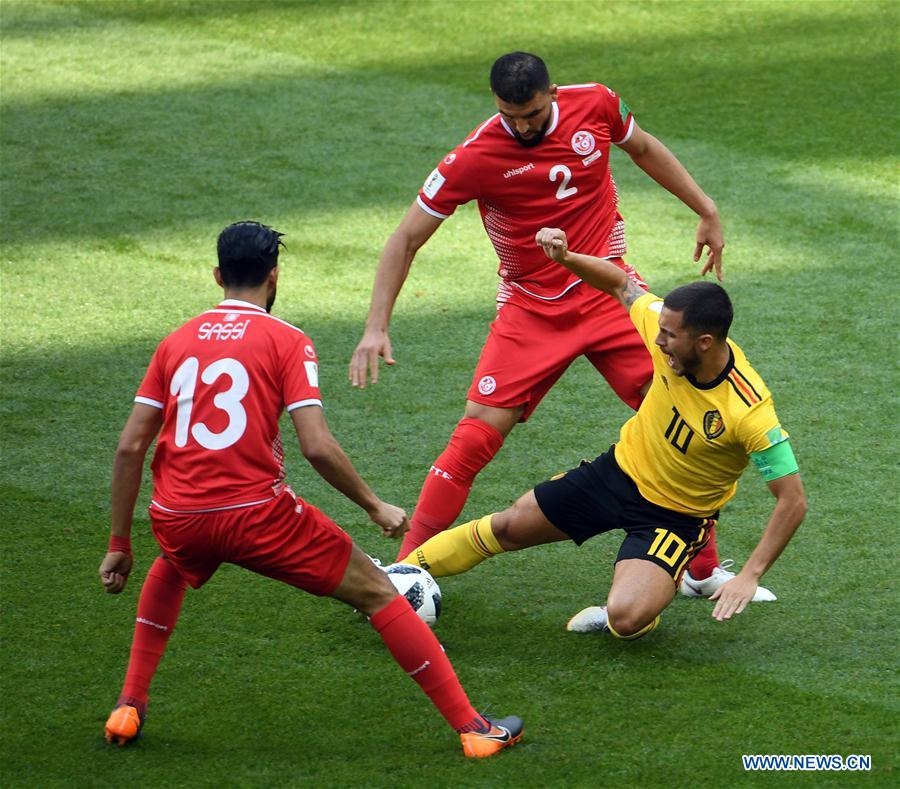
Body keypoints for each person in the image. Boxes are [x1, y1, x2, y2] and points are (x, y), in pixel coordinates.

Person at [98, 221, 523, 759]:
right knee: (378, 592)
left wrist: (119, 543)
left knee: (174, 563)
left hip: (177, 515)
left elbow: (130, 447)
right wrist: (374, 505)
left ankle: (129, 705)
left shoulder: (175, 343)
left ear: (216, 276)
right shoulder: (287, 340)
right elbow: (316, 446)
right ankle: (474, 728)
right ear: (273, 278)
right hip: (256, 515)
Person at [349, 51, 763, 599]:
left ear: (553, 94)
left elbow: (642, 147)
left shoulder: (595, 103)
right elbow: (406, 237)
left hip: (610, 294)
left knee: (681, 416)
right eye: (508, 116)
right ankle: (403, 574)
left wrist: (706, 208)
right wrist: (376, 326)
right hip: (530, 309)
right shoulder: (474, 156)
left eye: (533, 115)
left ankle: (702, 570)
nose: (521, 127)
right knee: (473, 439)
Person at [399, 227, 807, 638]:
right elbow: (619, 282)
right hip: (616, 474)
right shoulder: (663, 329)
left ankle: (649, 593)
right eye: (660, 330)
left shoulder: (750, 410)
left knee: (626, 620)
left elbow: (793, 499)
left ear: (703, 342)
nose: (659, 342)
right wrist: (566, 259)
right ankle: (401, 576)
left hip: (675, 517)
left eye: (669, 336)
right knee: (506, 527)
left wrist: (750, 575)